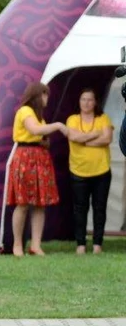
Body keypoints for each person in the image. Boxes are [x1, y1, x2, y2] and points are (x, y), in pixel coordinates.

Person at [7, 82, 66, 257]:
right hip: (26, 157)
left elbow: (39, 134)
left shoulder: (38, 115)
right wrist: (58, 126)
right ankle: (17, 245)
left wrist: (44, 141)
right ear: (37, 95)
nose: (47, 98)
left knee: (41, 203)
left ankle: (35, 245)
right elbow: (34, 130)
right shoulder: (25, 111)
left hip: (39, 157)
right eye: (45, 94)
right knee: (23, 202)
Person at [64, 89, 113, 254]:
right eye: (83, 99)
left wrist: (84, 140)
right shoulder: (72, 119)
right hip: (78, 171)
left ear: (95, 102)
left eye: (90, 100)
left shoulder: (103, 118)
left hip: (101, 171)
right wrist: (95, 134)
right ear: (79, 102)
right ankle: (81, 244)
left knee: (100, 208)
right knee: (80, 209)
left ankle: (98, 244)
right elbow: (73, 137)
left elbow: (107, 138)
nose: (86, 103)